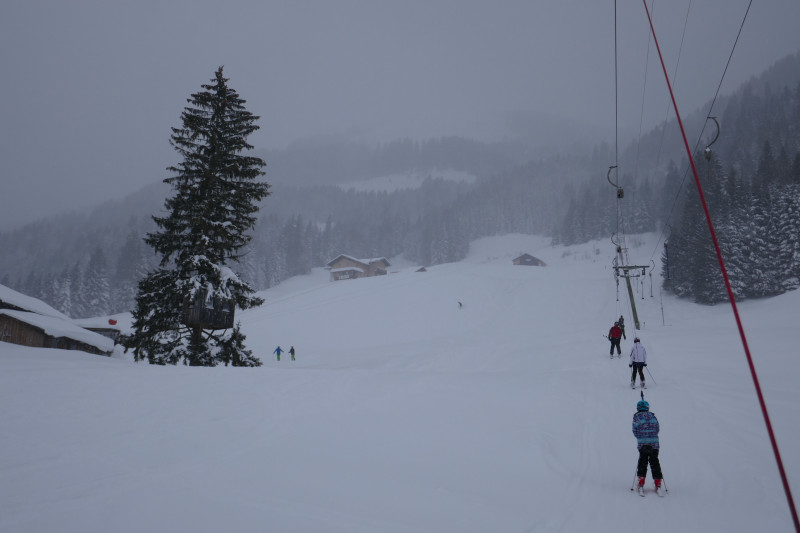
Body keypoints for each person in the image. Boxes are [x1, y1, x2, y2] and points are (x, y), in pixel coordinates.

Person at [632, 399, 664, 495]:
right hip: (654, 444)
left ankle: (641, 482)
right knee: (655, 462)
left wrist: (641, 438)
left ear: (638, 408)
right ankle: (658, 482)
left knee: (643, 462)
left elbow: (635, 430)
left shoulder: (636, 418)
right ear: (647, 408)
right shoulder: (653, 416)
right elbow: (657, 428)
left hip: (643, 444)